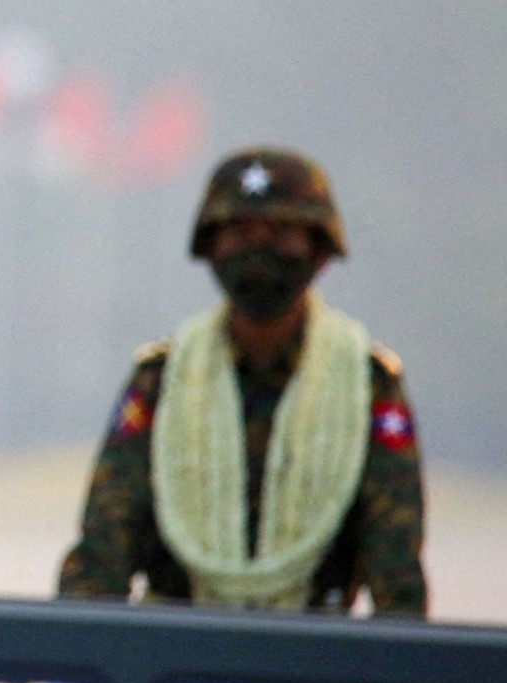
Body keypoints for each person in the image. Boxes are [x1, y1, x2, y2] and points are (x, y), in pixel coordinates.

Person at [58, 147, 427, 615]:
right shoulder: (163, 380)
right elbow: (104, 551)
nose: (259, 249)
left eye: (280, 234)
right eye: (240, 232)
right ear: (211, 247)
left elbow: (396, 567)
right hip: (170, 658)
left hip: (316, 659)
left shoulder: (366, 386)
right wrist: (79, 666)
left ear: (319, 250)